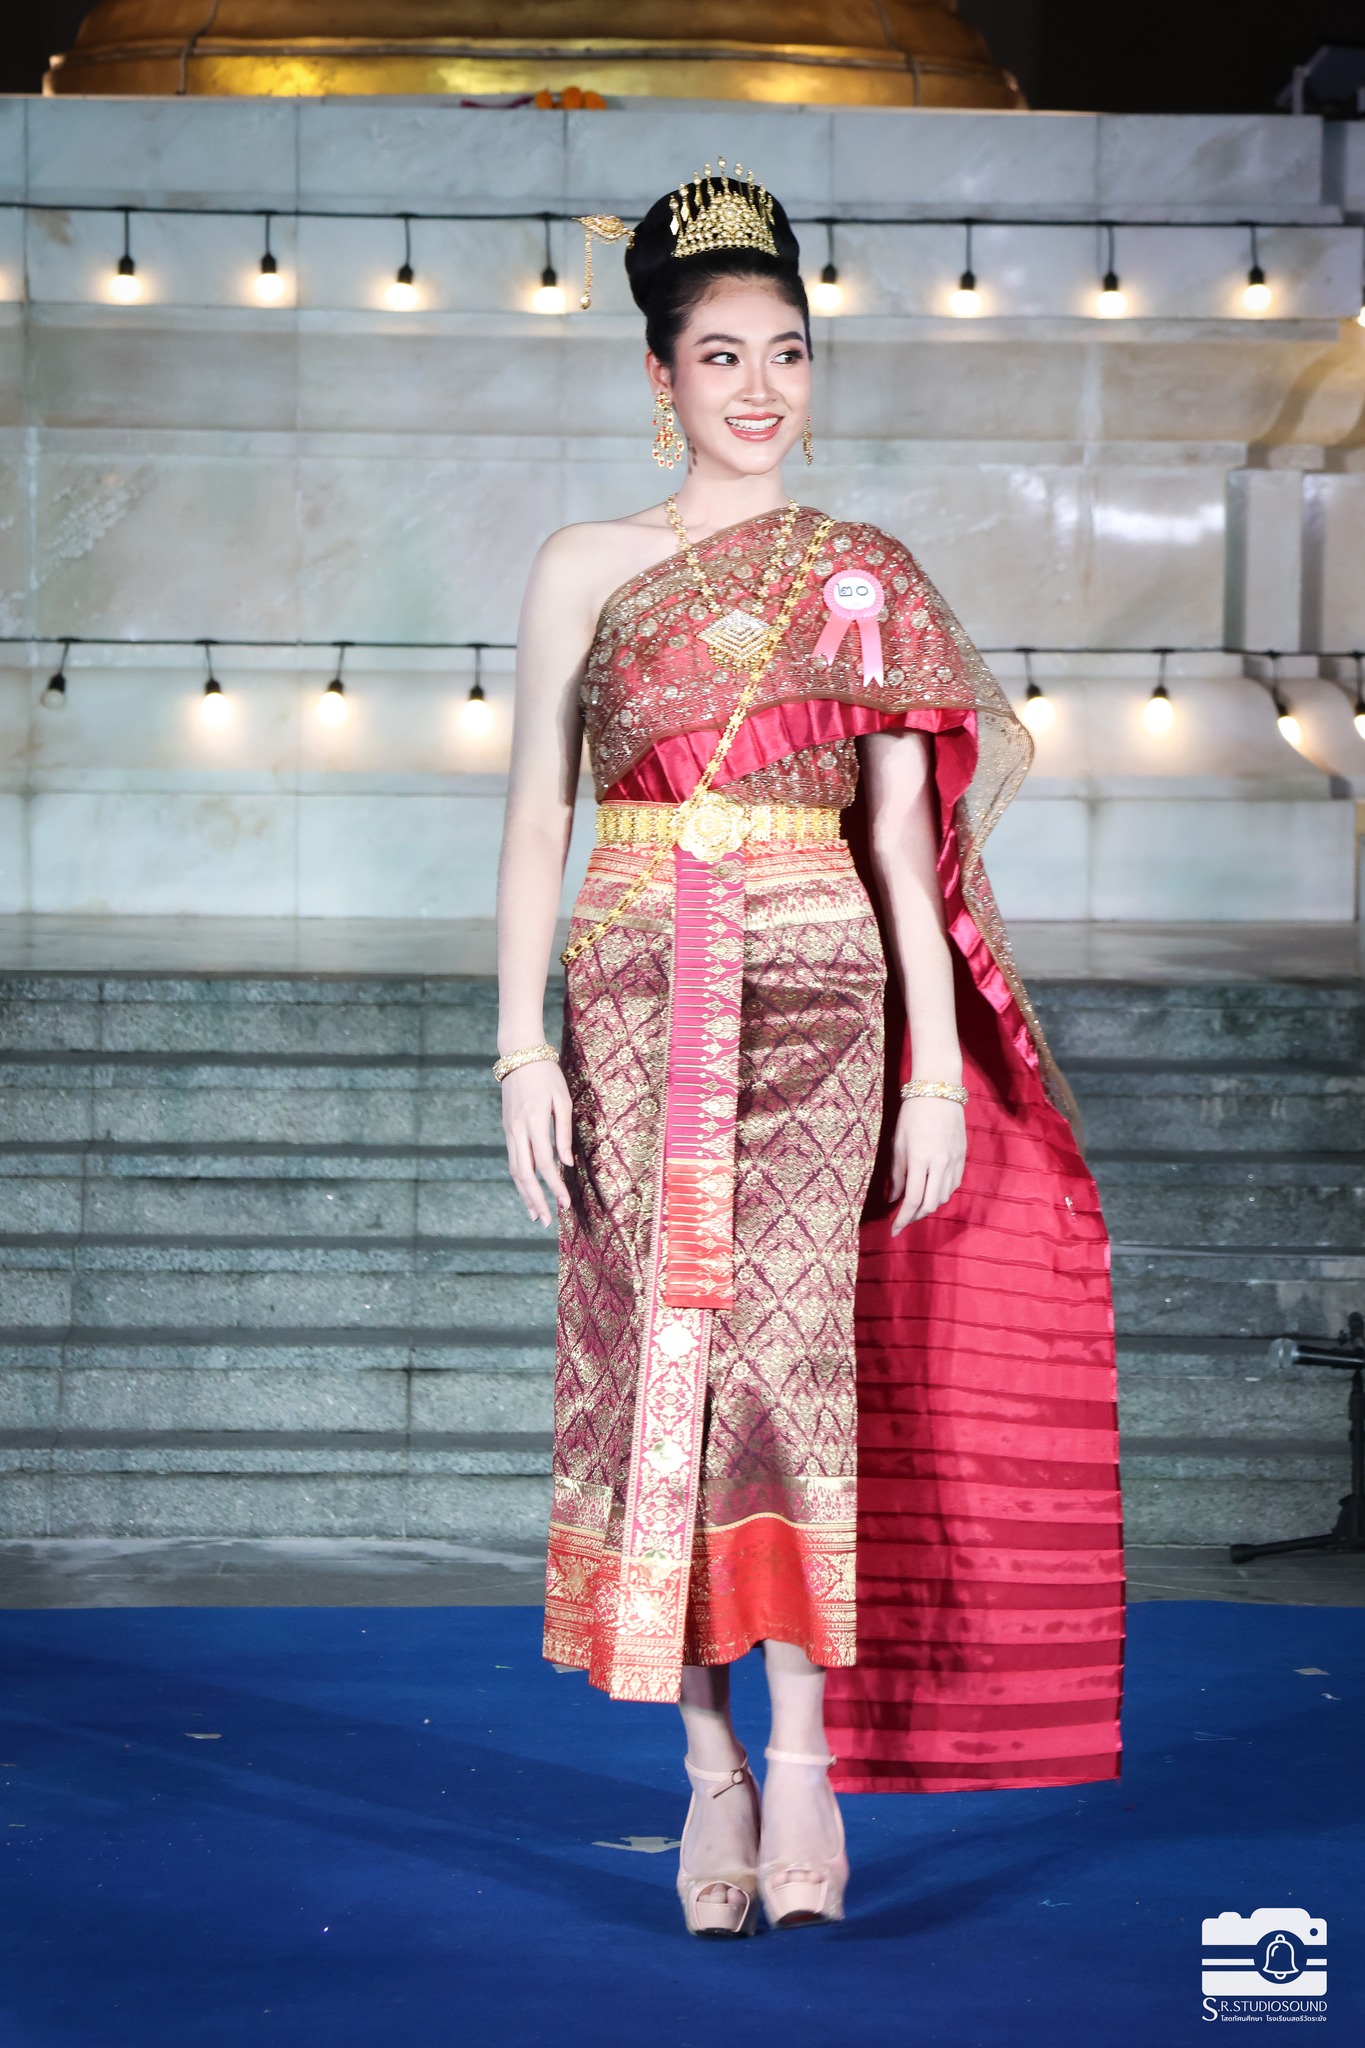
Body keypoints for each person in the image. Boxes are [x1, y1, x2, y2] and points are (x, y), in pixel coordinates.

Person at [494, 163, 1124, 1939]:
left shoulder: (862, 575)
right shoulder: (583, 566)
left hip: (821, 994)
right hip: (631, 989)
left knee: (785, 1360)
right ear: (659, 376)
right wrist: (516, 1049)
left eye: (785, 352)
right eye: (720, 356)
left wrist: (931, 1073)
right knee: (658, 1363)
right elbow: (537, 813)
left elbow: (906, 852)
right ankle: (702, 1767)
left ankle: (799, 1757)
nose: (758, 388)